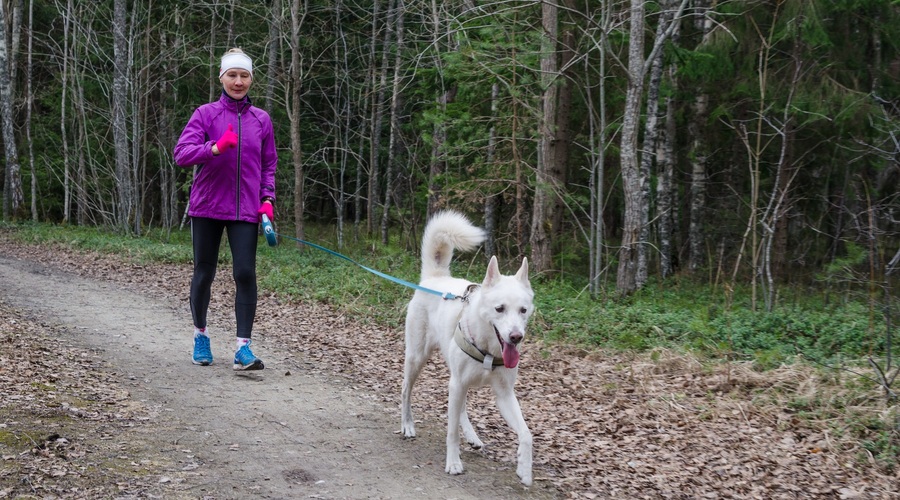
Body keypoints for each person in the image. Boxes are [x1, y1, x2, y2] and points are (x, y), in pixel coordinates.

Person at [173, 48, 277, 371]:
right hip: (206, 207)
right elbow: (181, 153)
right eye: (232, 75)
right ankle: (201, 337)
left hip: (246, 209)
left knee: (245, 273)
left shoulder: (262, 120)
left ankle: (243, 349)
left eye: (244, 75)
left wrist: (268, 199)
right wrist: (214, 148)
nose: (238, 81)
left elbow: (269, 165)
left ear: (251, 79)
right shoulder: (206, 114)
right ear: (221, 77)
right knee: (204, 272)